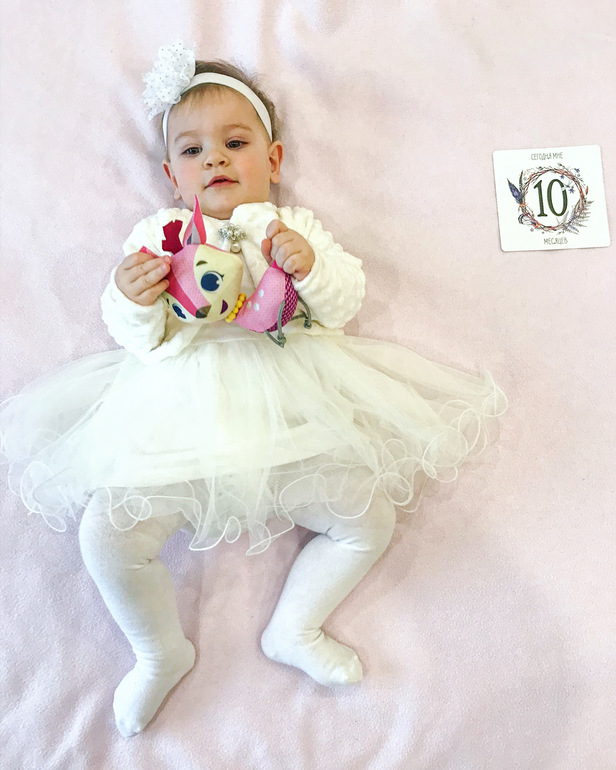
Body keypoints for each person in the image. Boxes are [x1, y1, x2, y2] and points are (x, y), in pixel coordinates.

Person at [0, 43, 506, 738]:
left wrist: (311, 267)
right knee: (107, 537)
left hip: (291, 414)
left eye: (235, 144)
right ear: (171, 176)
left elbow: (339, 305)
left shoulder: (289, 227)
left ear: (272, 160)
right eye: (192, 150)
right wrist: (132, 295)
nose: (214, 160)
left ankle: (296, 626)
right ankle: (158, 650)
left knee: (367, 520)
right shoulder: (161, 235)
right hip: (179, 421)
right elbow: (140, 338)